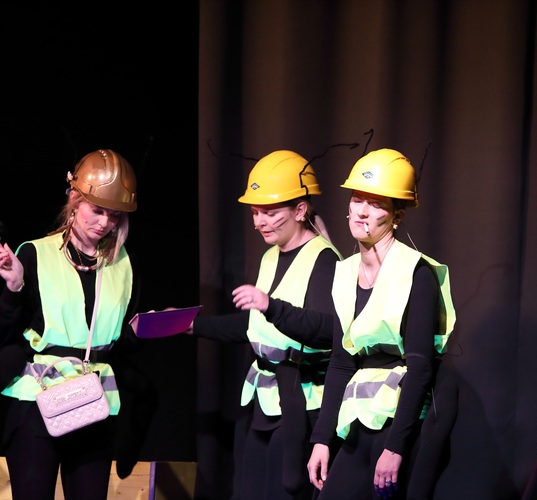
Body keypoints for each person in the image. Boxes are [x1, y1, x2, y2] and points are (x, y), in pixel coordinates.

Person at [188, 149, 342, 500]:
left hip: (301, 403)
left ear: (300, 211)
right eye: (256, 212)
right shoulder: (271, 254)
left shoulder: (325, 260)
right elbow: (256, 326)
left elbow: (328, 330)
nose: (260, 222)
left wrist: (271, 306)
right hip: (262, 397)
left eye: (270, 213)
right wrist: (195, 326)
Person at [306, 148, 456, 499]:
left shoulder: (415, 272)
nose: (361, 211)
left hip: (405, 422)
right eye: (357, 200)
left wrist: (395, 447)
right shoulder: (344, 272)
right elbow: (341, 361)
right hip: (361, 416)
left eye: (375, 204)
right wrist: (322, 439)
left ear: (396, 216)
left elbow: (420, 366)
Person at [0, 149, 151, 499]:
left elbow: (121, 345)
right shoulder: (34, 254)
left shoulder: (124, 265)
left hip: (94, 402)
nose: (104, 222)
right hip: (38, 400)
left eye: (114, 215)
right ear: (74, 200)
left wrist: (146, 328)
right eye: (96, 210)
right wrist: (13, 289)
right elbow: (6, 333)